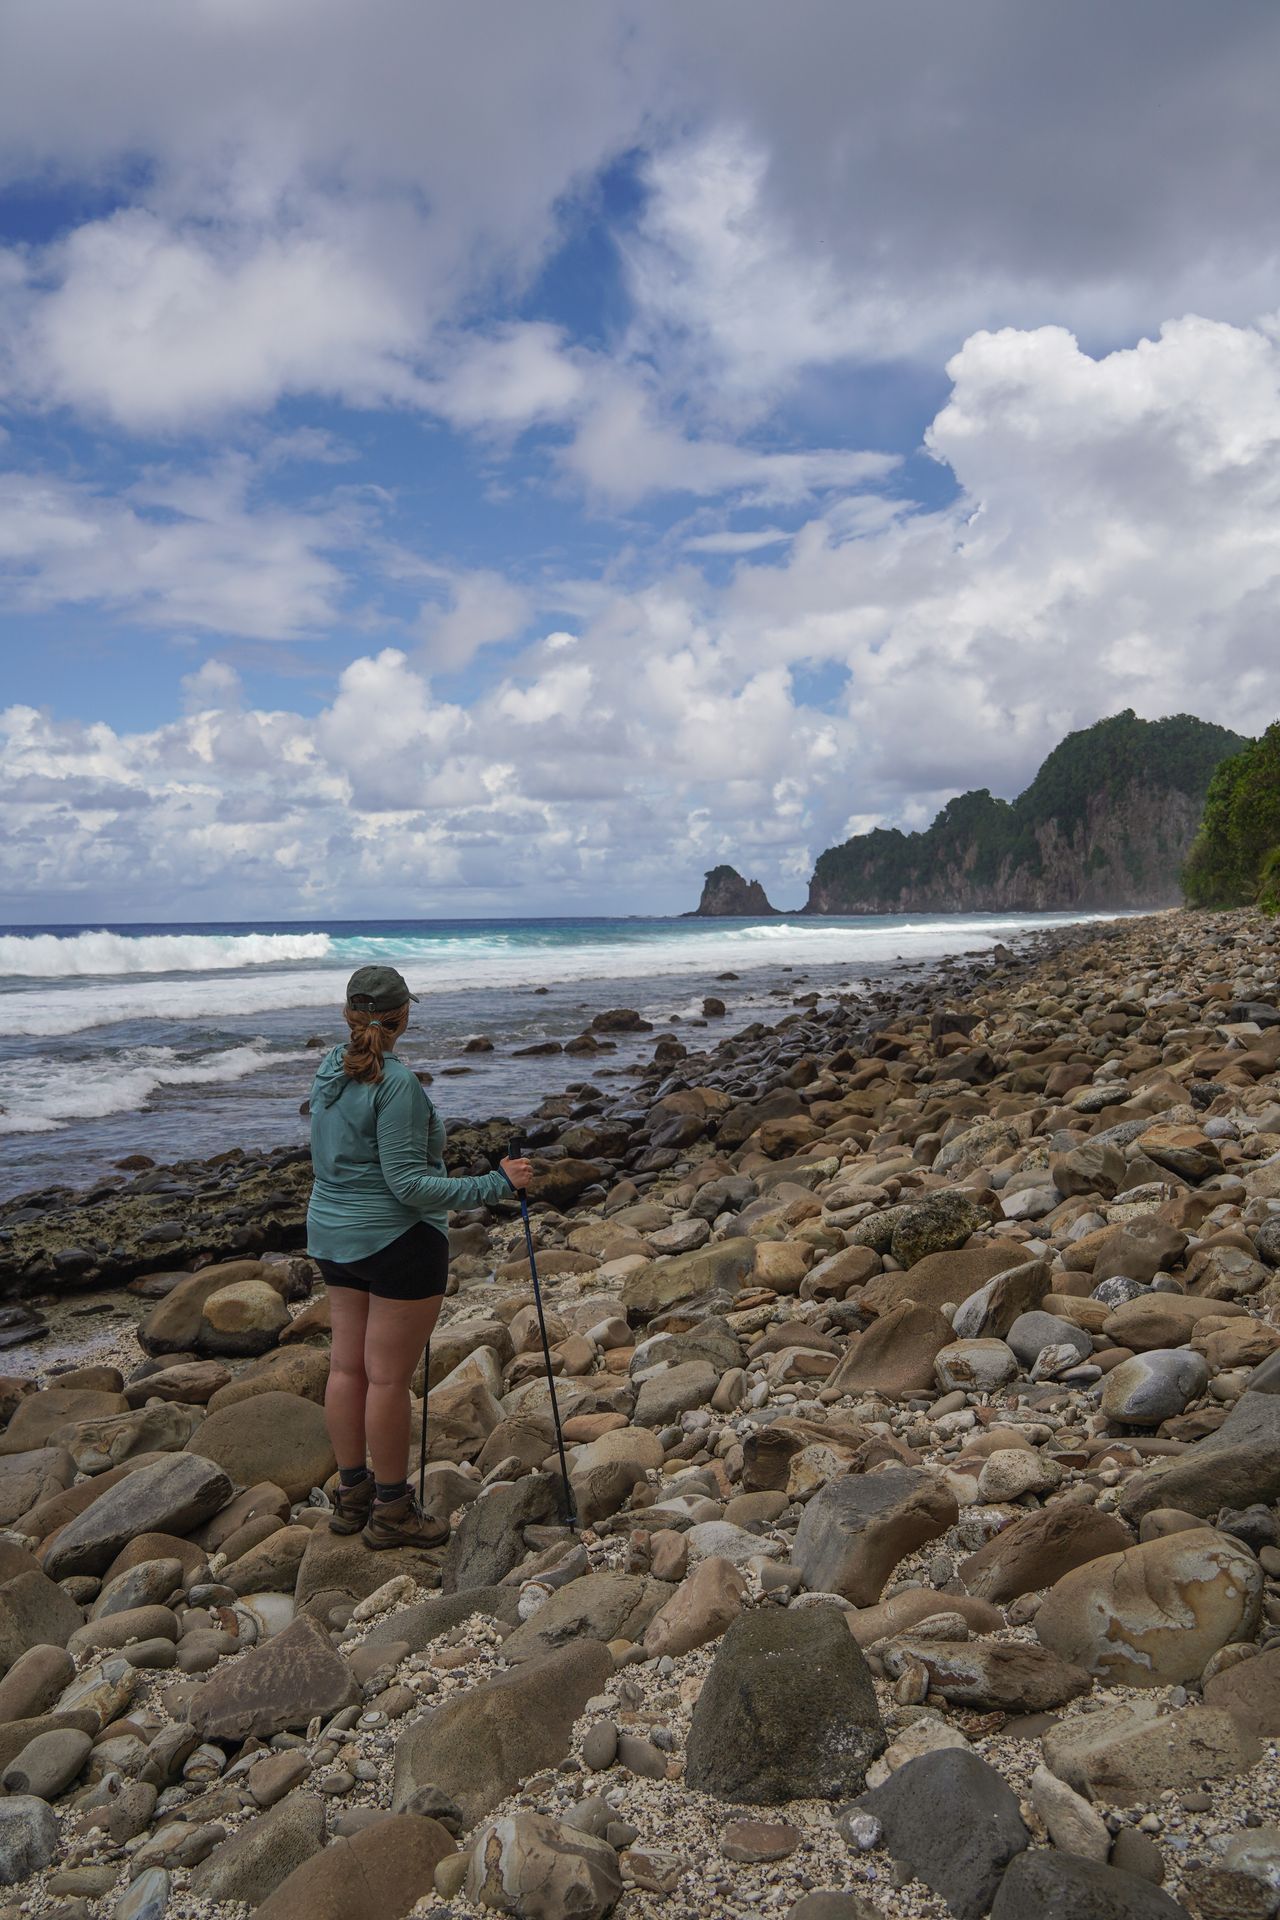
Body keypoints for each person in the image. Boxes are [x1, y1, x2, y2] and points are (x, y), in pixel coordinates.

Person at [306, 964, 531, 1549]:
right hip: (395, 1243)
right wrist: (496, 1184)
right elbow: (409, 1185)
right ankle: (392, 1510)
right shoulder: (396, 1084)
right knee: (385, 1380)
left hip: (332, 1237)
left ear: (349, 1015)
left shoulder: (329, 1067)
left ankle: (352, 1495)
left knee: (346, 1369)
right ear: (404, 1016)